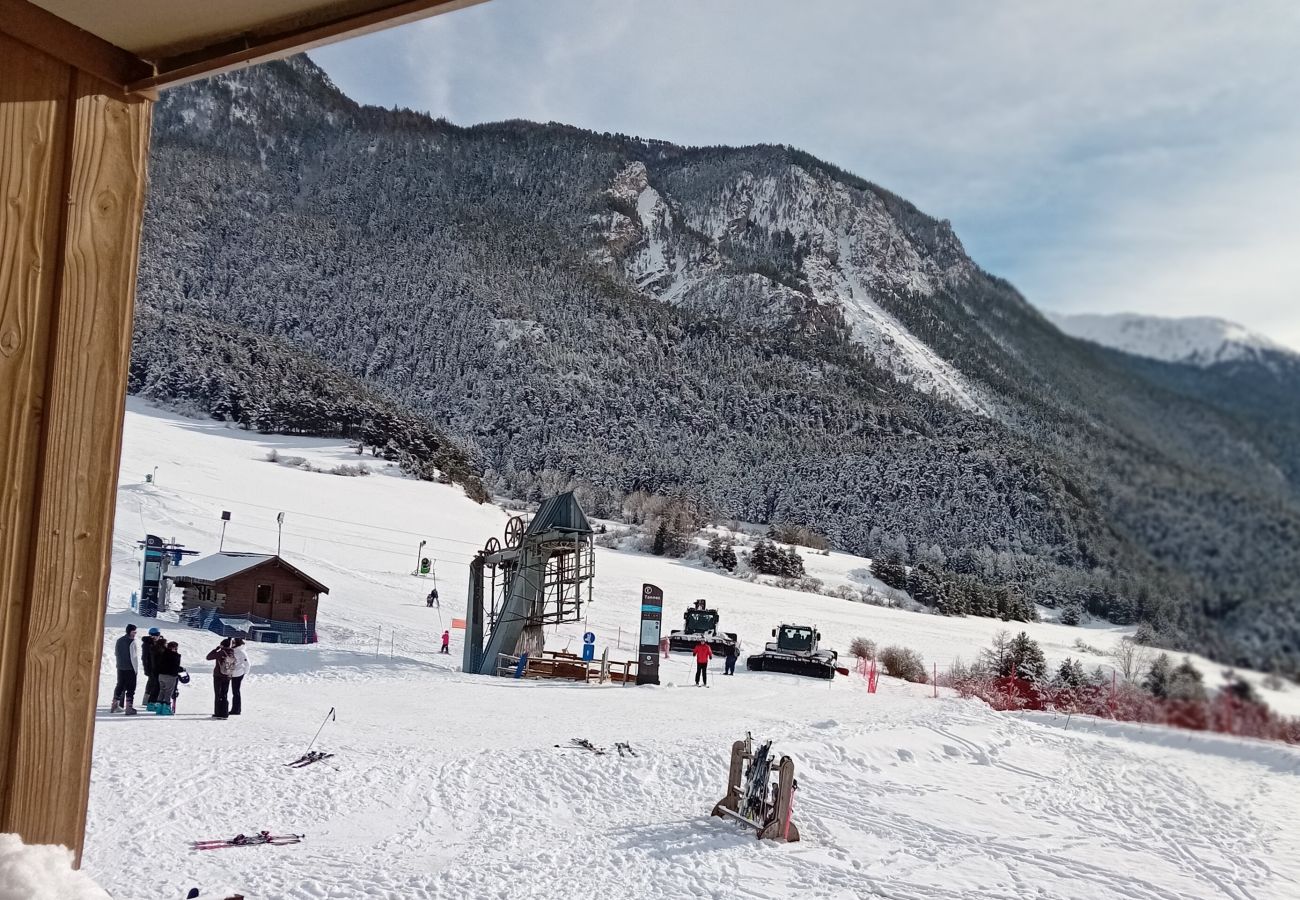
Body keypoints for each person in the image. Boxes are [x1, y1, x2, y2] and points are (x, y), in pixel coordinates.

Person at [111, 624, 140, 715]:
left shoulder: (119, 640)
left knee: (120, 685)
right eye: (133, 631)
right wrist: (135, 670)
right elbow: (134, 657)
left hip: (120, 667)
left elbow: (116, 653)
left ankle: (114, 704)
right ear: (129, 631)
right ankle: (129, 707)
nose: (135, 634)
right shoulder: (132, 642)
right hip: (130, 668)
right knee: (131, 688)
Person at [206, 638, 235, 719]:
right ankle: (225, 712)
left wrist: (216, 649)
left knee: (218, 694)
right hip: (228, 675)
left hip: (219, 675)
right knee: (224, 694)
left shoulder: (221, 652)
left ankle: (218, 712)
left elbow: (208, 657)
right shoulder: (231, 652)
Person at [154, 640, 182, 716]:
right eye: (175, 648)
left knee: (162, 690)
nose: (176, 650)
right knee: (168, 692)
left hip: (161, 675)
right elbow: (175, 667)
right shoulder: (175, 656)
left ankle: (159, 707)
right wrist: (181, 669)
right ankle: (166, 708)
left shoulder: (163, 654)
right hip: (170, 676)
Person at [141, 626, 162, 711]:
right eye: (152, 635)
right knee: (152, 683)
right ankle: (147, 700)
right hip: (150, 667)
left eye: (156, 635)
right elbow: (144, 657)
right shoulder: (147, 644)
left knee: (155, 683)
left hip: (158, 667)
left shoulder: (159, 643)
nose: (154, 637)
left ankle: (151, 699)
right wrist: (146, 669)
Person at [230, 637, 250, 715]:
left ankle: (236, 709)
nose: (232, 644)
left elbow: (247, 664)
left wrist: (245, 672)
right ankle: (235, 708)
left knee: (236, 691)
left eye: (234, 642)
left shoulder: (241, 652)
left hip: (238, 673)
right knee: (234, 691)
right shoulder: (233, 650)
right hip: (232, 673)